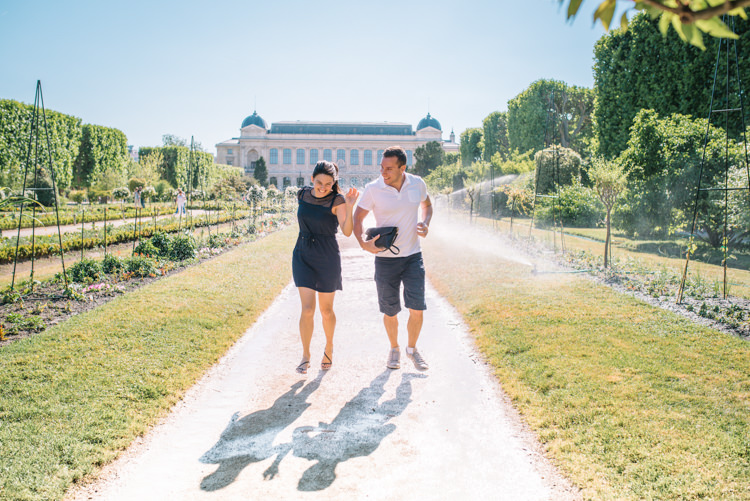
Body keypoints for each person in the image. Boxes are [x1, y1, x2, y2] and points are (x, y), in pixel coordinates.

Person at [353, 145, 433, 371]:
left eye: (389, 169)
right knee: (390, 310)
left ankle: (412, 349)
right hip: (385, 259)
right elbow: (358, 218)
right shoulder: (373, 189)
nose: (383, 173)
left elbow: (427, 206)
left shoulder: (417, 183)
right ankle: (394, 349)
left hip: (413, 257)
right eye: (382, 167)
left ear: (402, 168)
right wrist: (363, 244)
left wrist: (425, 223)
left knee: (417, 308)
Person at [293, 161, 359, 374]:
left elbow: (347, 231)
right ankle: (305, 355)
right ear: (312, 179)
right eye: (319, 182)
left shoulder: (337, 199)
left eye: (328, 184)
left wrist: (349, 206)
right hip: (302, 253)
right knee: (307, 309)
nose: (323, 187)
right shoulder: (302, 194)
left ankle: (329, 346)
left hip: (327, 256)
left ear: (334, 183)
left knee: (326, 310)